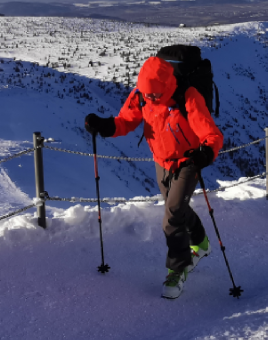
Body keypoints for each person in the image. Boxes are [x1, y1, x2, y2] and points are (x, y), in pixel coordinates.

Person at [84, 56, 223, 300]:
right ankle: (201, 243)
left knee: (171, 216)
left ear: (168, 86)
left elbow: (211, 134)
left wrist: (206, 153)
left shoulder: (188, 96)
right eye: (147, 95)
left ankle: (177, 270)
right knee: (177, 208)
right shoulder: (141, 94)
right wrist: (104, 126)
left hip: (188, 162)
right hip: (161, 161)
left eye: (155, 96)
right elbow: (125, 121)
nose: (151, 99)